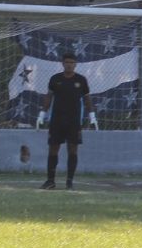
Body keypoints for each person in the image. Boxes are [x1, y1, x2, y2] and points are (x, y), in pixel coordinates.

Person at [36, 53, 97, 190]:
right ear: (63, 63)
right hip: (56, 120)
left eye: (72, 62)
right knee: (53, 149)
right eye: (67, 62)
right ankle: (50, 181)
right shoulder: (55, 79)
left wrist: (92, 116)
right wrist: (42, 114)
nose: (69, 64)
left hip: (73, 121)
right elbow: (48, 97)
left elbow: (87, 99)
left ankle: (69, 182)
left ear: (75, 64)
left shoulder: (81, 80)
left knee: (73, 150)